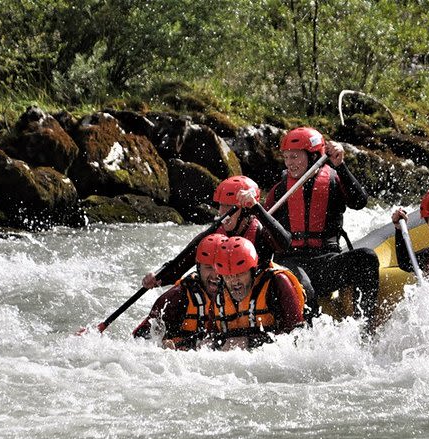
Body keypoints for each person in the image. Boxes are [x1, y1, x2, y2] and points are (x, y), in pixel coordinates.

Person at [263, 127, 380, 334]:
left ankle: (366, 328)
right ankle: (310, 339)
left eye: (295, 157)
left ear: (313, 156)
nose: (290, 163)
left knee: (367, 257)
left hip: (326, 261)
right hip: (291, 262)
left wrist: (341, 166)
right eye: (287, 157)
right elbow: (263, 230)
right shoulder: (280, 190)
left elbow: (360, 201)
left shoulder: (334, 180)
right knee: (304, 287)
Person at [142, 175, 291, 289]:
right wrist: (158, 276)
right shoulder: (212, 234)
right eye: (221, 206)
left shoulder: (260, 232)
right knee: (186, 286)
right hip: (225, 299)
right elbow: (181, 264)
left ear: (246, 211)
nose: (222, 213)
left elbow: (284, 243)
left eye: (229, 207)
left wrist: (257, 207)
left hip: (255, 294)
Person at [132, 233, 226, 350]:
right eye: (208, 267)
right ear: (198, 267)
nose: (215, 274)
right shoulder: (176, 299)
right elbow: (140, 338)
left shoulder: (234, 294)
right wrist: (163, 345)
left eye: (220, 266)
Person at [210, 236, 306, 350]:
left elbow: (297, 336)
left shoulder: (277, 283)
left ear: (252, 270)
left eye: (240, 274)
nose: (234, 281)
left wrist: (250, 342)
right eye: (228, 276)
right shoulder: (219, 294)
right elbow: (213, 337)